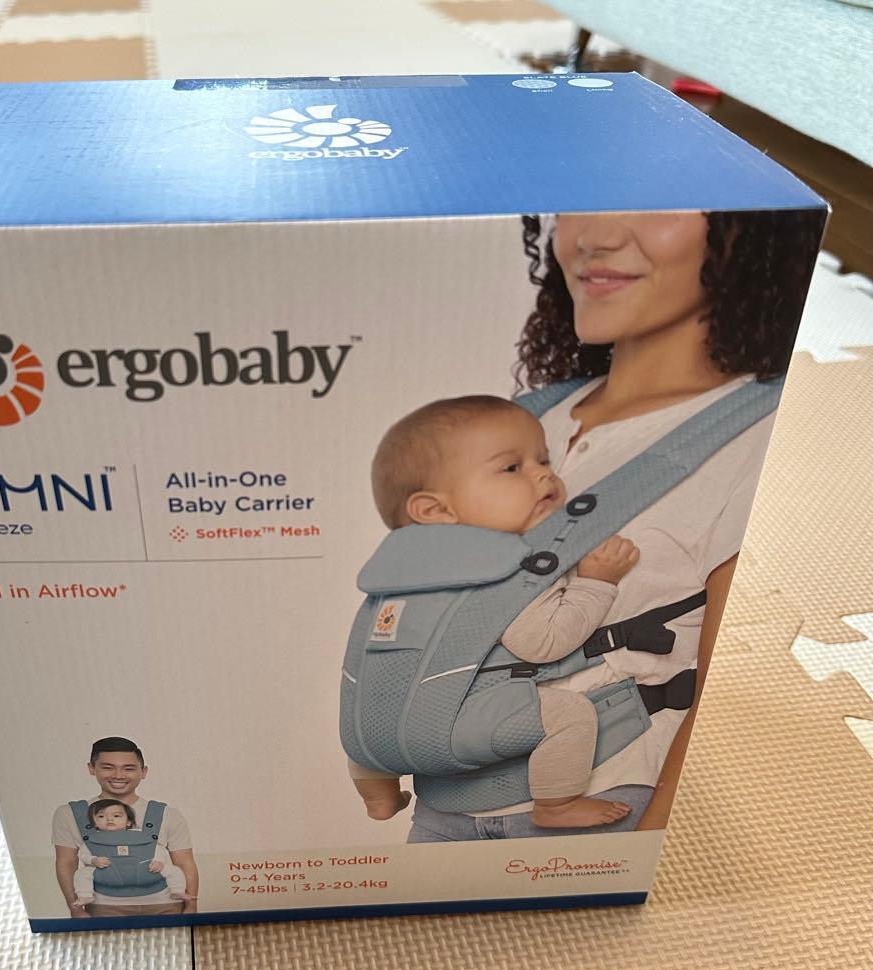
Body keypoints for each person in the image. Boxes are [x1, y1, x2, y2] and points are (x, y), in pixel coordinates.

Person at [362, 208, 823, 841]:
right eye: (584, 204)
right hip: (448, 807)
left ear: (746, 227)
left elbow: (733, 704)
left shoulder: (768, 434)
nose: (596, 237)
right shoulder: (519, 420)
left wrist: (652, 857)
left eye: (656, 207)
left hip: (605, 808)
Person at [351, 395, 641, 828]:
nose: (544, 473)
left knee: (367, 703)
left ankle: (379, 797)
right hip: (450, 728)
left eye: (543, 460)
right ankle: (556, 804)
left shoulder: (391, 573)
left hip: (369, 737)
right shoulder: (499, 565)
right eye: (512, 468)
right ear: (435, 510)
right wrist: (596, 582)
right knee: (571, 715)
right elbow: (543, 643)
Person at [52, 736, 198, 916]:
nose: (118, 775)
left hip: (165, 905)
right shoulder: (70, 813)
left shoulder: (168, 814)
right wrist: (75, 909)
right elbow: (66, 863)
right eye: (108, 767)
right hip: (103, 908)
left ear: (143, 772)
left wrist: (191, 906)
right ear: (92, 768)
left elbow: (185, 863)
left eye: (128, 768)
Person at [71, 798, 195, 911]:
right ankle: (85, 895)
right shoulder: (93, 840)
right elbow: (83, 854)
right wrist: (93, 860)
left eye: (116, 816)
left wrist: (159, 861)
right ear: (94, 823)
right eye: (101, 816)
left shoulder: (139, 835)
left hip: (147, 869)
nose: (109, 819)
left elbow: (157, 849)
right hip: (104, 872)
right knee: (82, 873)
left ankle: (177, 891)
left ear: (128, 822)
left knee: (174, 870)